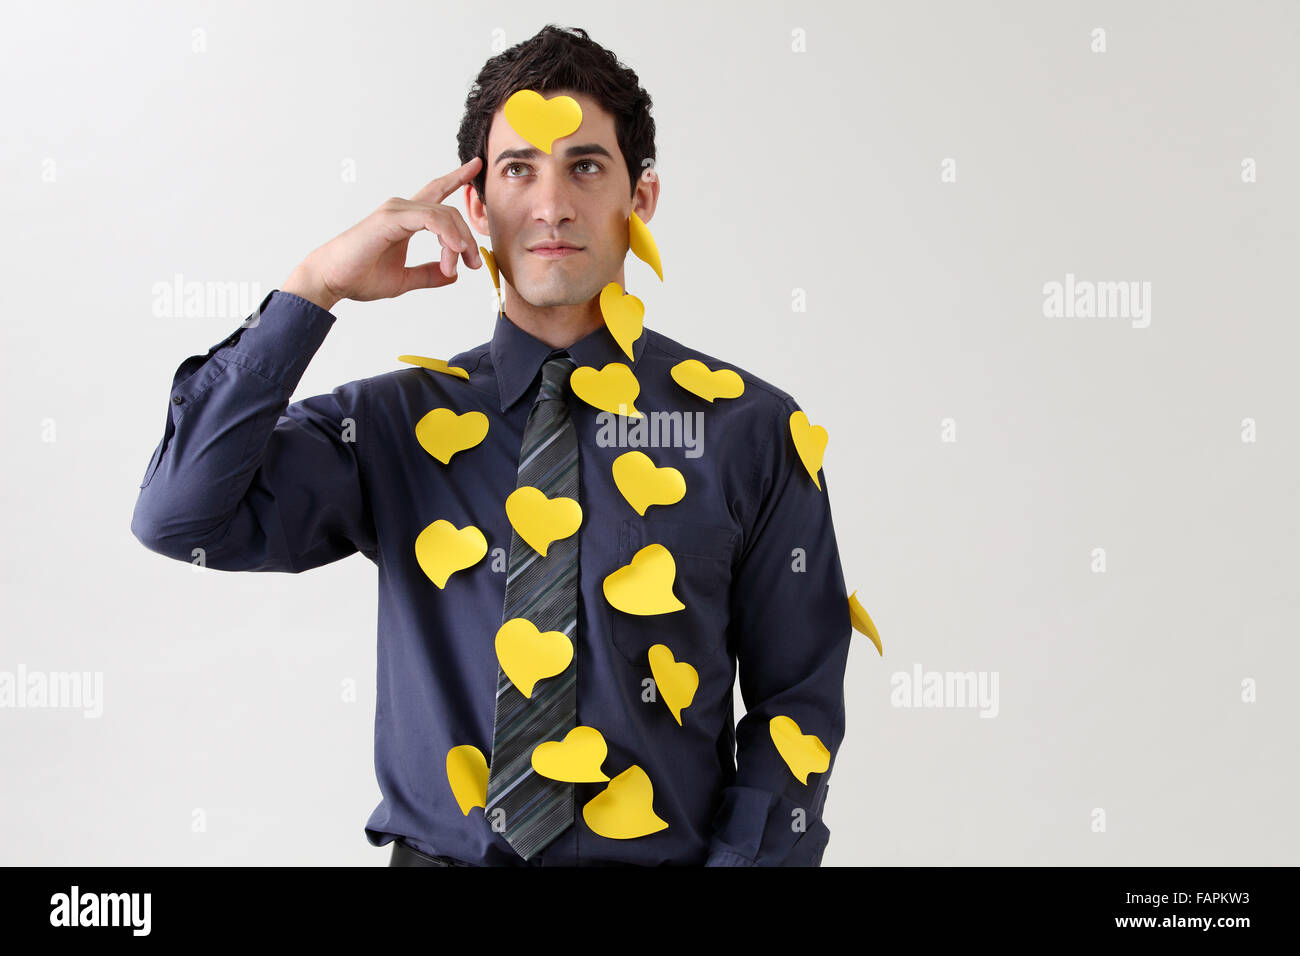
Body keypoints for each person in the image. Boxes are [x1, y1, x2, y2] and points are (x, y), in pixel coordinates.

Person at [131, 24, 851, 866]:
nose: (551, 205)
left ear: (641, 197)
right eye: (518, 170)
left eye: (586, 166)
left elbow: (795, 703)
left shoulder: (750, 431)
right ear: (475, 206)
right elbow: (180, 517)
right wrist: (316, 286)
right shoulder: (391, 427)